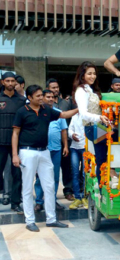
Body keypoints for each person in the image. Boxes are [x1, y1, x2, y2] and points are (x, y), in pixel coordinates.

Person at [12, 85, 78, 232]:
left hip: (45, 152)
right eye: (38, 96)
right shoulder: (22, 112)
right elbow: (15, 133)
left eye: (42, 95)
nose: (41, 98)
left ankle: (51, 219)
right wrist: (15, 155)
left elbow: (64, 115)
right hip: (27, 152)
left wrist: (81, 110)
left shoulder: (47, 110)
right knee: (28, 187)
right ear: (29, 98)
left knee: (49, 186)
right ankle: (30, 221)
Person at [72, 61, 110, 185]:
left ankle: (104, 184)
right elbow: (83, 113)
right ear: (82, 75)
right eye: (89, 74)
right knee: (102, 158)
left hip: (98, 127)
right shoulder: (81, 91)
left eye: (94, 74)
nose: (92, 76)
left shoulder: (90, 90)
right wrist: (100, 117)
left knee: (103, 158)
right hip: (92, 128)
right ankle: (102, 187)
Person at [34, 89, 69, 212]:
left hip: (56, 150)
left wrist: (65, 146)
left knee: (54, 178)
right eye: (47, 96)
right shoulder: (37, 112)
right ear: (42, 98)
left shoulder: (59, 113)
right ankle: (39, 202)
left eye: (52, 97)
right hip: (42, 150)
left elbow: (63, 130)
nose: (50, 99)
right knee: (39, 178)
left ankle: (52, 201)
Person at [0, 72, 25, 213]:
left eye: (12, 81)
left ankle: (15, 203)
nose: (10, 83)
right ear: (3, 82)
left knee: (17, 174)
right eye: (7, 81)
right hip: (0, 143)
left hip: (16, 144)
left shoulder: (21, 100)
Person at [46, 78, 75, 201]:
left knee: (66, 167)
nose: (56, 90)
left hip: (65, 140)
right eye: (53, 88)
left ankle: (68, 190)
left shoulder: (66, 103)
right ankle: (46, 196)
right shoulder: (45, 105)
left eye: (57, 87)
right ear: (48, 89)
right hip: (49, 144)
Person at [68, 113, 88, 209]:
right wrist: (72, 134)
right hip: (74, 147)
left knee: (85, 174)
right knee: (75, 173)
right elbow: (70, 129)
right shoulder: (74, 116)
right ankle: (77, 197)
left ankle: (85, 197)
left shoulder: (89, 115)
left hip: (86, 148)